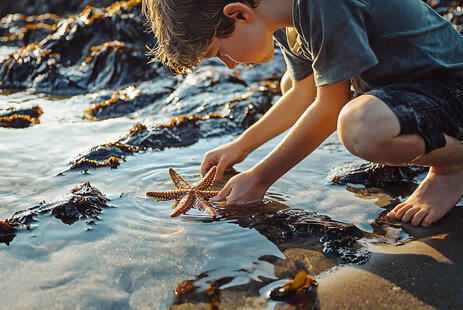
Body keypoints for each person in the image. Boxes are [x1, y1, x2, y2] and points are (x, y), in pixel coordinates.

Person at [143, 0, 463, 227]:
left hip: (449, 88)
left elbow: (329, 107)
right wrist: (240, 147)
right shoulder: (286, 18)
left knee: (358, 126)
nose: (229, 64)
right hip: (408, 93)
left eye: (220, 52)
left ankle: (452, 167)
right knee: (291, 83)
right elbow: (302, 95)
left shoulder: (326, 5)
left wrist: (259, 178)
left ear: (238, 13)